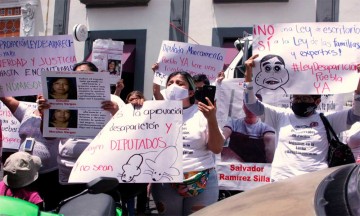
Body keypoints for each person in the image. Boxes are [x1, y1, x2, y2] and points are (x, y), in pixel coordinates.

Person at [243, 54, 360, 182]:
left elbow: (356, 114)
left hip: (313, 183)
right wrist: (248, 74)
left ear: (317, 101)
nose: (299, 101)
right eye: (296, 98)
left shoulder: (327, 120)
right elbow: (251, 104)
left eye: (304, 98)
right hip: (282, 181)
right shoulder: (281, 115)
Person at [37, 61, 125, 202]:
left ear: (96, 76)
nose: (80, 77)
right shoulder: (60, 99)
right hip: (68, 169)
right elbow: (48, 136)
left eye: (84, 74)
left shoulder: (113, 100)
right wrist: (45, 115)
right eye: (76, 75)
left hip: (99, 168)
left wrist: (115, 111)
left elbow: (126, 132)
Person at [151, 70, 225, 215]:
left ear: (191, 92)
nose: (173, 86)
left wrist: (211, 119)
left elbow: (216, 148)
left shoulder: (202, 113)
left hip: (201, 179)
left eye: (179, 83)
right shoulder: (156, 113)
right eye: (170, 83)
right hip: (165, 180)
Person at [0, 96, 61, 211]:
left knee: (45, 207)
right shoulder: (27, 111)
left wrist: (46, 114)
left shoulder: (59, 114)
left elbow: (49, 134)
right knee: (20, 205)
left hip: (46, 174)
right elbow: (7, 99)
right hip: (23, 172)